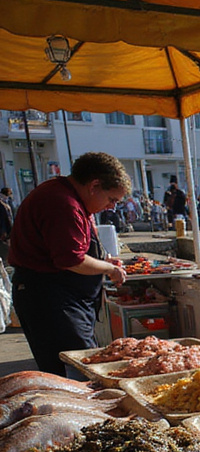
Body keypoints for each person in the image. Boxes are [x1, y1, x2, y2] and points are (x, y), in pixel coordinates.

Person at [7, 151, 129, 375]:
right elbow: (72, 260)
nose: (111, 207)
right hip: (50, 299)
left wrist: (103, 259)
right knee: (76, 371)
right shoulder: (63, 204)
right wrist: (110, 268)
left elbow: (76, 249)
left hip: (64, 298)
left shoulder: (71, 198)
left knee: (82, 366)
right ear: (94, 185)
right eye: (111, 199)